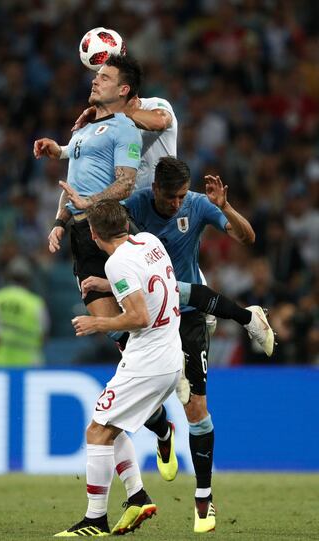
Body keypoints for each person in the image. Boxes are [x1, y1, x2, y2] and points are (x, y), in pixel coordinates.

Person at [65, 157, 274, 534]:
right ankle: (162, 433)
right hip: (151, 306)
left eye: (181, 196)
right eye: (169, 197)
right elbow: (106, 226)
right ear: (154, 189)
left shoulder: (198, 204)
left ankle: (204, 498)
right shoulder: (135, 211)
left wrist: (225, 207)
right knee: (136, 402)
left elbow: (247, 238)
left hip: (184, 312)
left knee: (195, 408)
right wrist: (67, 225)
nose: (177, 204)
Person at [54, 199, 183, 537]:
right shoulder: (149, 242)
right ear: (126, 223)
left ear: (94, 234)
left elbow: (140, 316)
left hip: (148, 361)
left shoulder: (117, 264)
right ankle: (137, 496)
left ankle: (95, 520)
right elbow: (149, 284)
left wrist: (97, 323)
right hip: (169, 354)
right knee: (112, 426)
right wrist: (103, 284)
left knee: (96, 432)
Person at [33, 54, 143, 320]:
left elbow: (126, 184)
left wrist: (90, 202)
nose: (95, 81)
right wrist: (60, 222)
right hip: (83, 233)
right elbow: (73, 185)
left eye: (105, 77)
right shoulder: (82, 130)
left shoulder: (125, 129)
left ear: (123, 89)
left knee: (138, 317)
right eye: (97, 76)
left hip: (113, 230)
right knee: (109, 323)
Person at [0, 256, 49, 367]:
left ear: (6, 277)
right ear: (28, 279)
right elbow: (43, 335)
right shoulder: (36, 303)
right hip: (27, 364)